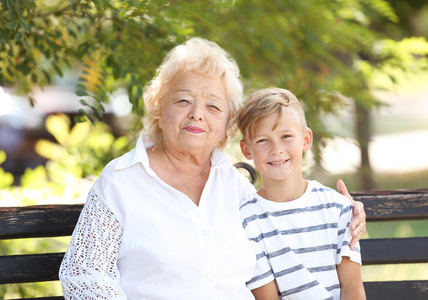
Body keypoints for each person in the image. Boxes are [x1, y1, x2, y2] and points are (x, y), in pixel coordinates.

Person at [59, 38, 366, 299]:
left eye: (213, 106)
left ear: (226, 123)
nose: (197, 114)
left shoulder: (236, 188)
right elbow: (83, 276)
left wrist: (345, 211)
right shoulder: (121, 181)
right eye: (183, 100)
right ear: (158, 105)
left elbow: (290, 219)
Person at [237, 87, 366, 300]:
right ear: (247, 150)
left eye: (286, 136)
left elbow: (352, 288)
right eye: (262, 140)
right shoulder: (246, 220)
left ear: (306, 139)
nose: (276, 149)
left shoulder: (337, 208)